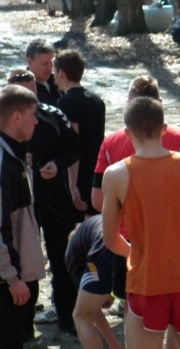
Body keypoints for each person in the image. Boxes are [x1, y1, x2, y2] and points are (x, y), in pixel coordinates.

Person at [101, 96, 180, 349]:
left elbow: (109, 239)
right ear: (164, 128)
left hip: (145, 282)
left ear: (127, 133)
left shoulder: (116, 175)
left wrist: (133, 254)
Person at [91, 76, 180, 323]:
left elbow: (97, 200)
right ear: (159, 104)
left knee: (134, 302)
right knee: (175, 306)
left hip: (127, 238)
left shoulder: (111, 141)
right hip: (174, 238)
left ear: (130, 104)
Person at [7, 69, 80, 334]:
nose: (32, 99)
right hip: (17, 203)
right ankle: (24, 323)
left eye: (34, 92)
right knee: (20, 260)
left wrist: (57, 164)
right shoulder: (6, 121)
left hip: (52, 198)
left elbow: (75, 147)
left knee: (61, 257)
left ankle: (66, 316)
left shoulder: (52, 115)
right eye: (24, 94)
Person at [0, 85, 45, 348]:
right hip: (7, 283)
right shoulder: (3, 162)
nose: (37, 122)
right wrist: (11, 277)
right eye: (32, 115)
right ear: (16, 117)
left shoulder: (14, 153)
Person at [54, 49, 106, 216]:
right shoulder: (97, 99)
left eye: (55, 70)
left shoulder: (66, 102)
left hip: (79, 173)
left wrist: (72, 184)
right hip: (98, 169)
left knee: (81, 224)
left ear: (61, 73)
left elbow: (73, 143)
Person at [65, 215, 122, 349]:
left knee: (81, 316)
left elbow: (91, 311)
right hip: (124, 240)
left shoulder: (72, 257)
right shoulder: (89, 230)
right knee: (132, 307)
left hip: (104, 246)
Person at [26, 38, 60, 106]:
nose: (50, 67)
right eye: (45, 64)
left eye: (52, 63)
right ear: (30, 62)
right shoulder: (23, 88)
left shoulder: (58, 81)